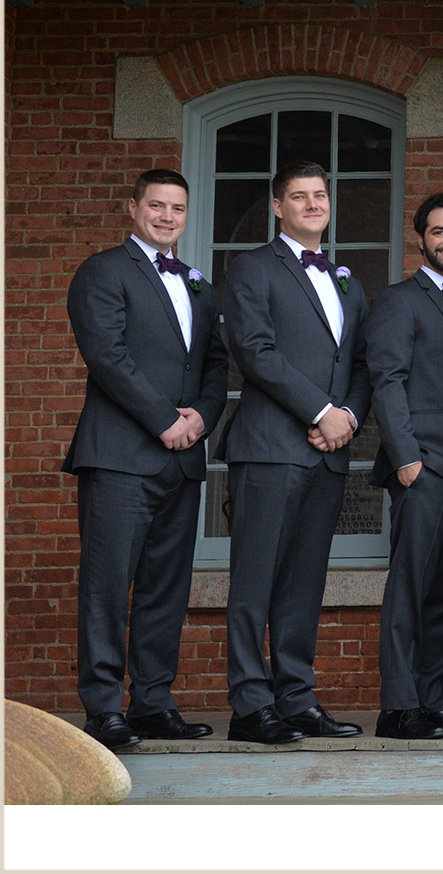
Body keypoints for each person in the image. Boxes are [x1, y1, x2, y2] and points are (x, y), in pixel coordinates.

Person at [63, 168, 228, 749]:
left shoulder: (200, 284)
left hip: (182, 460)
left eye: (177, 209)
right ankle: (104, 708)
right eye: (156, 206)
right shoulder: (103, 271)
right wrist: (164, 420)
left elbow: (214, 363)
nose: (166, 217)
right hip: (120, 457)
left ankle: (153, 702)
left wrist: (202, 418)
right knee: (108, 585)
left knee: (166, 587)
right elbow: (107, 356)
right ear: (133, 208)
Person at [216, 160, 371, 744]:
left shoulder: (346, 281)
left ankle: (296, 697)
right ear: (277, 207)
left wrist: (350, 417)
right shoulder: (253, 267)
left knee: (305, 584)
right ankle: (250, 706)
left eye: (320, 195)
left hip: (329, 453)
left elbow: (359, 361)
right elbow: (255, 351)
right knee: (254, 580)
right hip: (270, 448)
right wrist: (321, 412)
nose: (313, 204)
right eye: (300, 196)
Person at [365, 192, 443, 740]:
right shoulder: (399, 300)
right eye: (439, 232)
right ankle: (398, 707)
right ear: (421, 238)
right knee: (410, 587)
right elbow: (386, 381)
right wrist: (407, 459)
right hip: (425, 468)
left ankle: (433, 701)